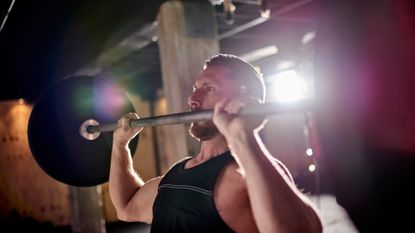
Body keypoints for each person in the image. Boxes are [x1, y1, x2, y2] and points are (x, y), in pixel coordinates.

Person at [109, 54, 323, 233]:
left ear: (242, 99)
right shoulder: (177, 173)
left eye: (208, 88)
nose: (193, 98)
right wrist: (120, 145)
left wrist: (242, 135)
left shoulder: (246, 174)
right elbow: (126, 208)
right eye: (196, 87)